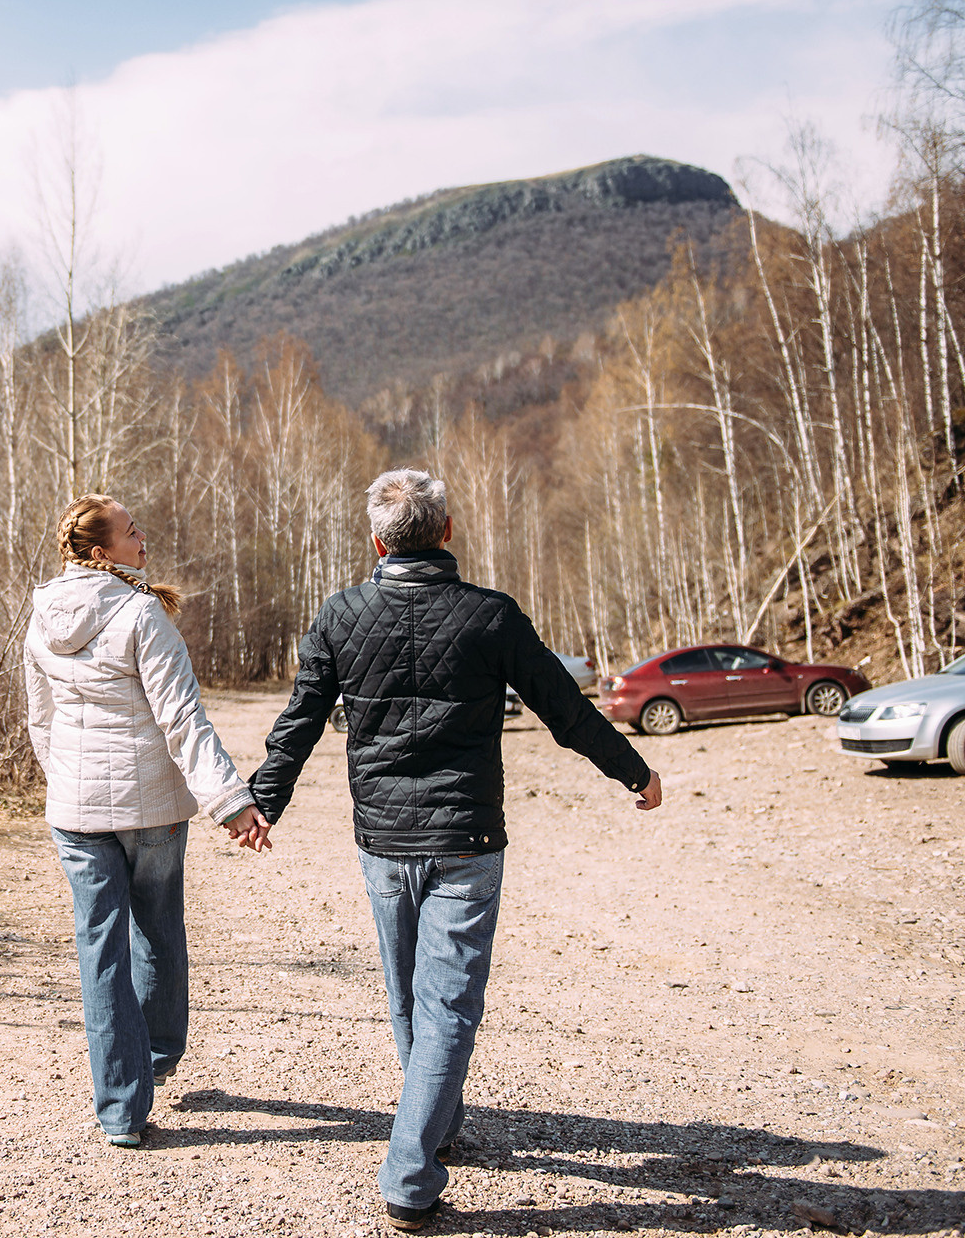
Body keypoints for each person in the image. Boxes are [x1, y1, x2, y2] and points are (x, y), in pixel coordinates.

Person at [247, 469, 662, 1231]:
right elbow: (566, 710)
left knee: (413, 997)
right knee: (444, 1006)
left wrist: (261, 801)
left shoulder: (342, 614)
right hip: (466, 838)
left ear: (378, 541)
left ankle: (433, 1126)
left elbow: (299, 719)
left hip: (383, 839)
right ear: (446, 532)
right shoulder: (490, 615)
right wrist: (633, 770)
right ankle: (411, 1173)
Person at [24, 494, 272, 1149]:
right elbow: (182, 721)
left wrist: (69, 785)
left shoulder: (41, 617)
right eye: (132, 530)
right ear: (102, 551)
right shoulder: (140, 615)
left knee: (99, 948)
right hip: (151, 809)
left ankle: (121, 1109)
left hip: (76, 813)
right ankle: (155, 1055)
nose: (144, 536)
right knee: (156, 928)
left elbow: (40, 722)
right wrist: (232, 802)